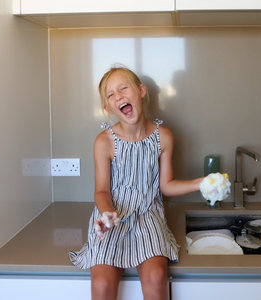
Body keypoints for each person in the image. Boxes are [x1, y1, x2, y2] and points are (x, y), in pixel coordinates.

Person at [69, 66, 203, 300]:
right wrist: (107, 213)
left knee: (156, 277)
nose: (118, 96)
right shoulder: (104, 142)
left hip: (148, 215)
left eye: (123, 88)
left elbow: (167, 185)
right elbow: (101, 190)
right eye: (111, 95)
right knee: (101, 284)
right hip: (112, 216)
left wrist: (200, 183)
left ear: (141, 91)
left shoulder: (164, 137)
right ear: (107, 108)